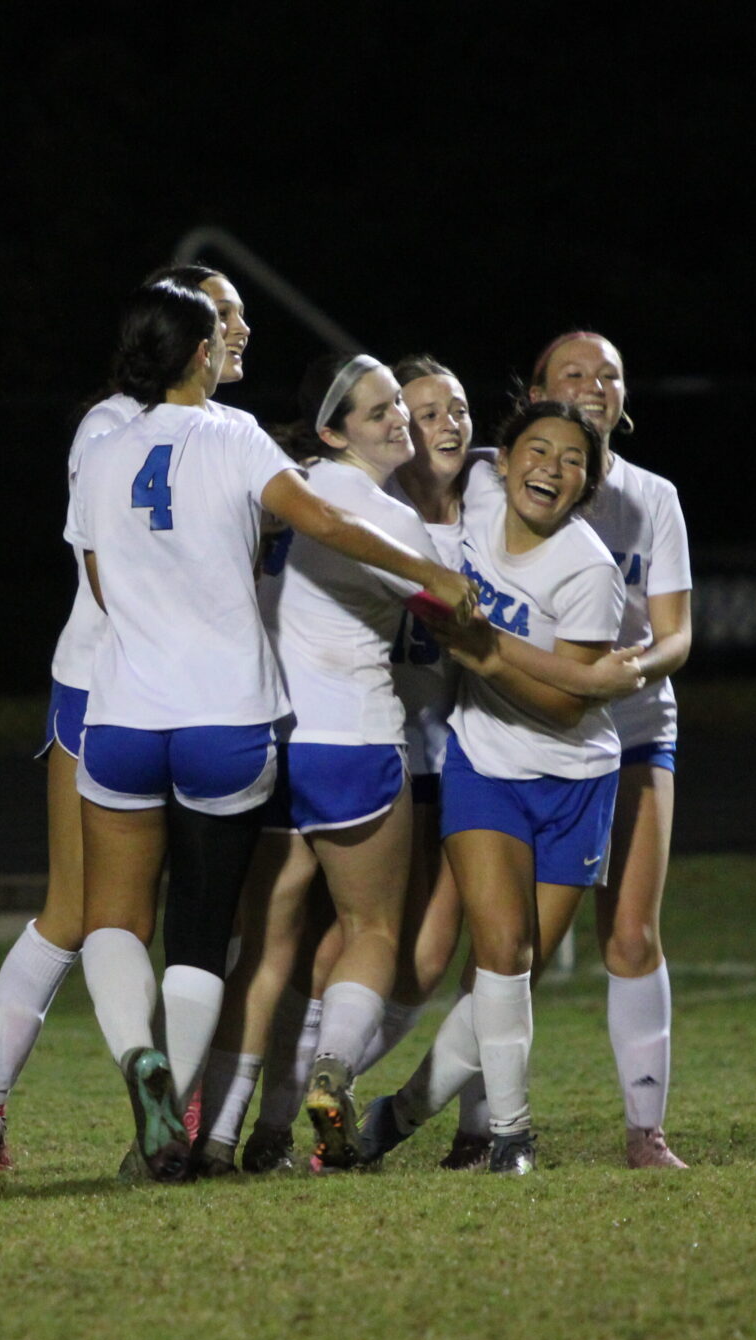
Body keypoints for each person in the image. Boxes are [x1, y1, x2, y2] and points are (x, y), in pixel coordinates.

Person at [67, 281, 473, 1182]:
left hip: (126, 712)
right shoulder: (242, 440)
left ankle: (161, 1083)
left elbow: (99, 581)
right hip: (254, 721)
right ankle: (293, 1092)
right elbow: (324, 520)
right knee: (228, 932)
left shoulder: (98, 444)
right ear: (202, 354)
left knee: (120, 920)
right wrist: (431, 577)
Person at [0, 263, 251, 1176]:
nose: (239, 330)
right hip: (110, 688)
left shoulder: (226, 430)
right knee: (82, 912)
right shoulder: (111, 426)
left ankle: (182, 1110)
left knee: (206, 908)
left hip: (202, 696)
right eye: (225, 314)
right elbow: (105, 574)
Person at [360, 399, 626, 1176]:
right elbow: (423, 475)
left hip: (577, 776)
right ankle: (511, 1133)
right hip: (483, 764)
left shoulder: (589, 570)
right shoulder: (476, 491)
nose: (550, 466)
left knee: (512, 980)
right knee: (501, 951)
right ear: (503, 460)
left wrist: (484, 655)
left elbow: (569, 700)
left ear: (586, 484)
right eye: (535, 450)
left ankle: (403, 1108)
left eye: (572, 459)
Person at [188, 354, 440, 1175]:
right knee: (372, 930)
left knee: (264, 946)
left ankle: (223, 1134)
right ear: (334, 431)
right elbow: (459, 628)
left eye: (399, 402)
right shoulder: (394, 524)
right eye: (378, 412)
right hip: (356, 735)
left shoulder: (276, 488)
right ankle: (332, 1072)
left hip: (270, 734)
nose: (399, 418)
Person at [525, 331, 694, 1170]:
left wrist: (629, 669)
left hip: (630, 734)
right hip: (520, 735)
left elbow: (676, 635)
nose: (595, 385)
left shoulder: (652, 497)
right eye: (574, 373)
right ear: (534, 393)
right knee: (495, 941)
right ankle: (480, 1121)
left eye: (610, 374)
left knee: (629, 935)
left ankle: (644, 1128)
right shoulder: (503, 482)